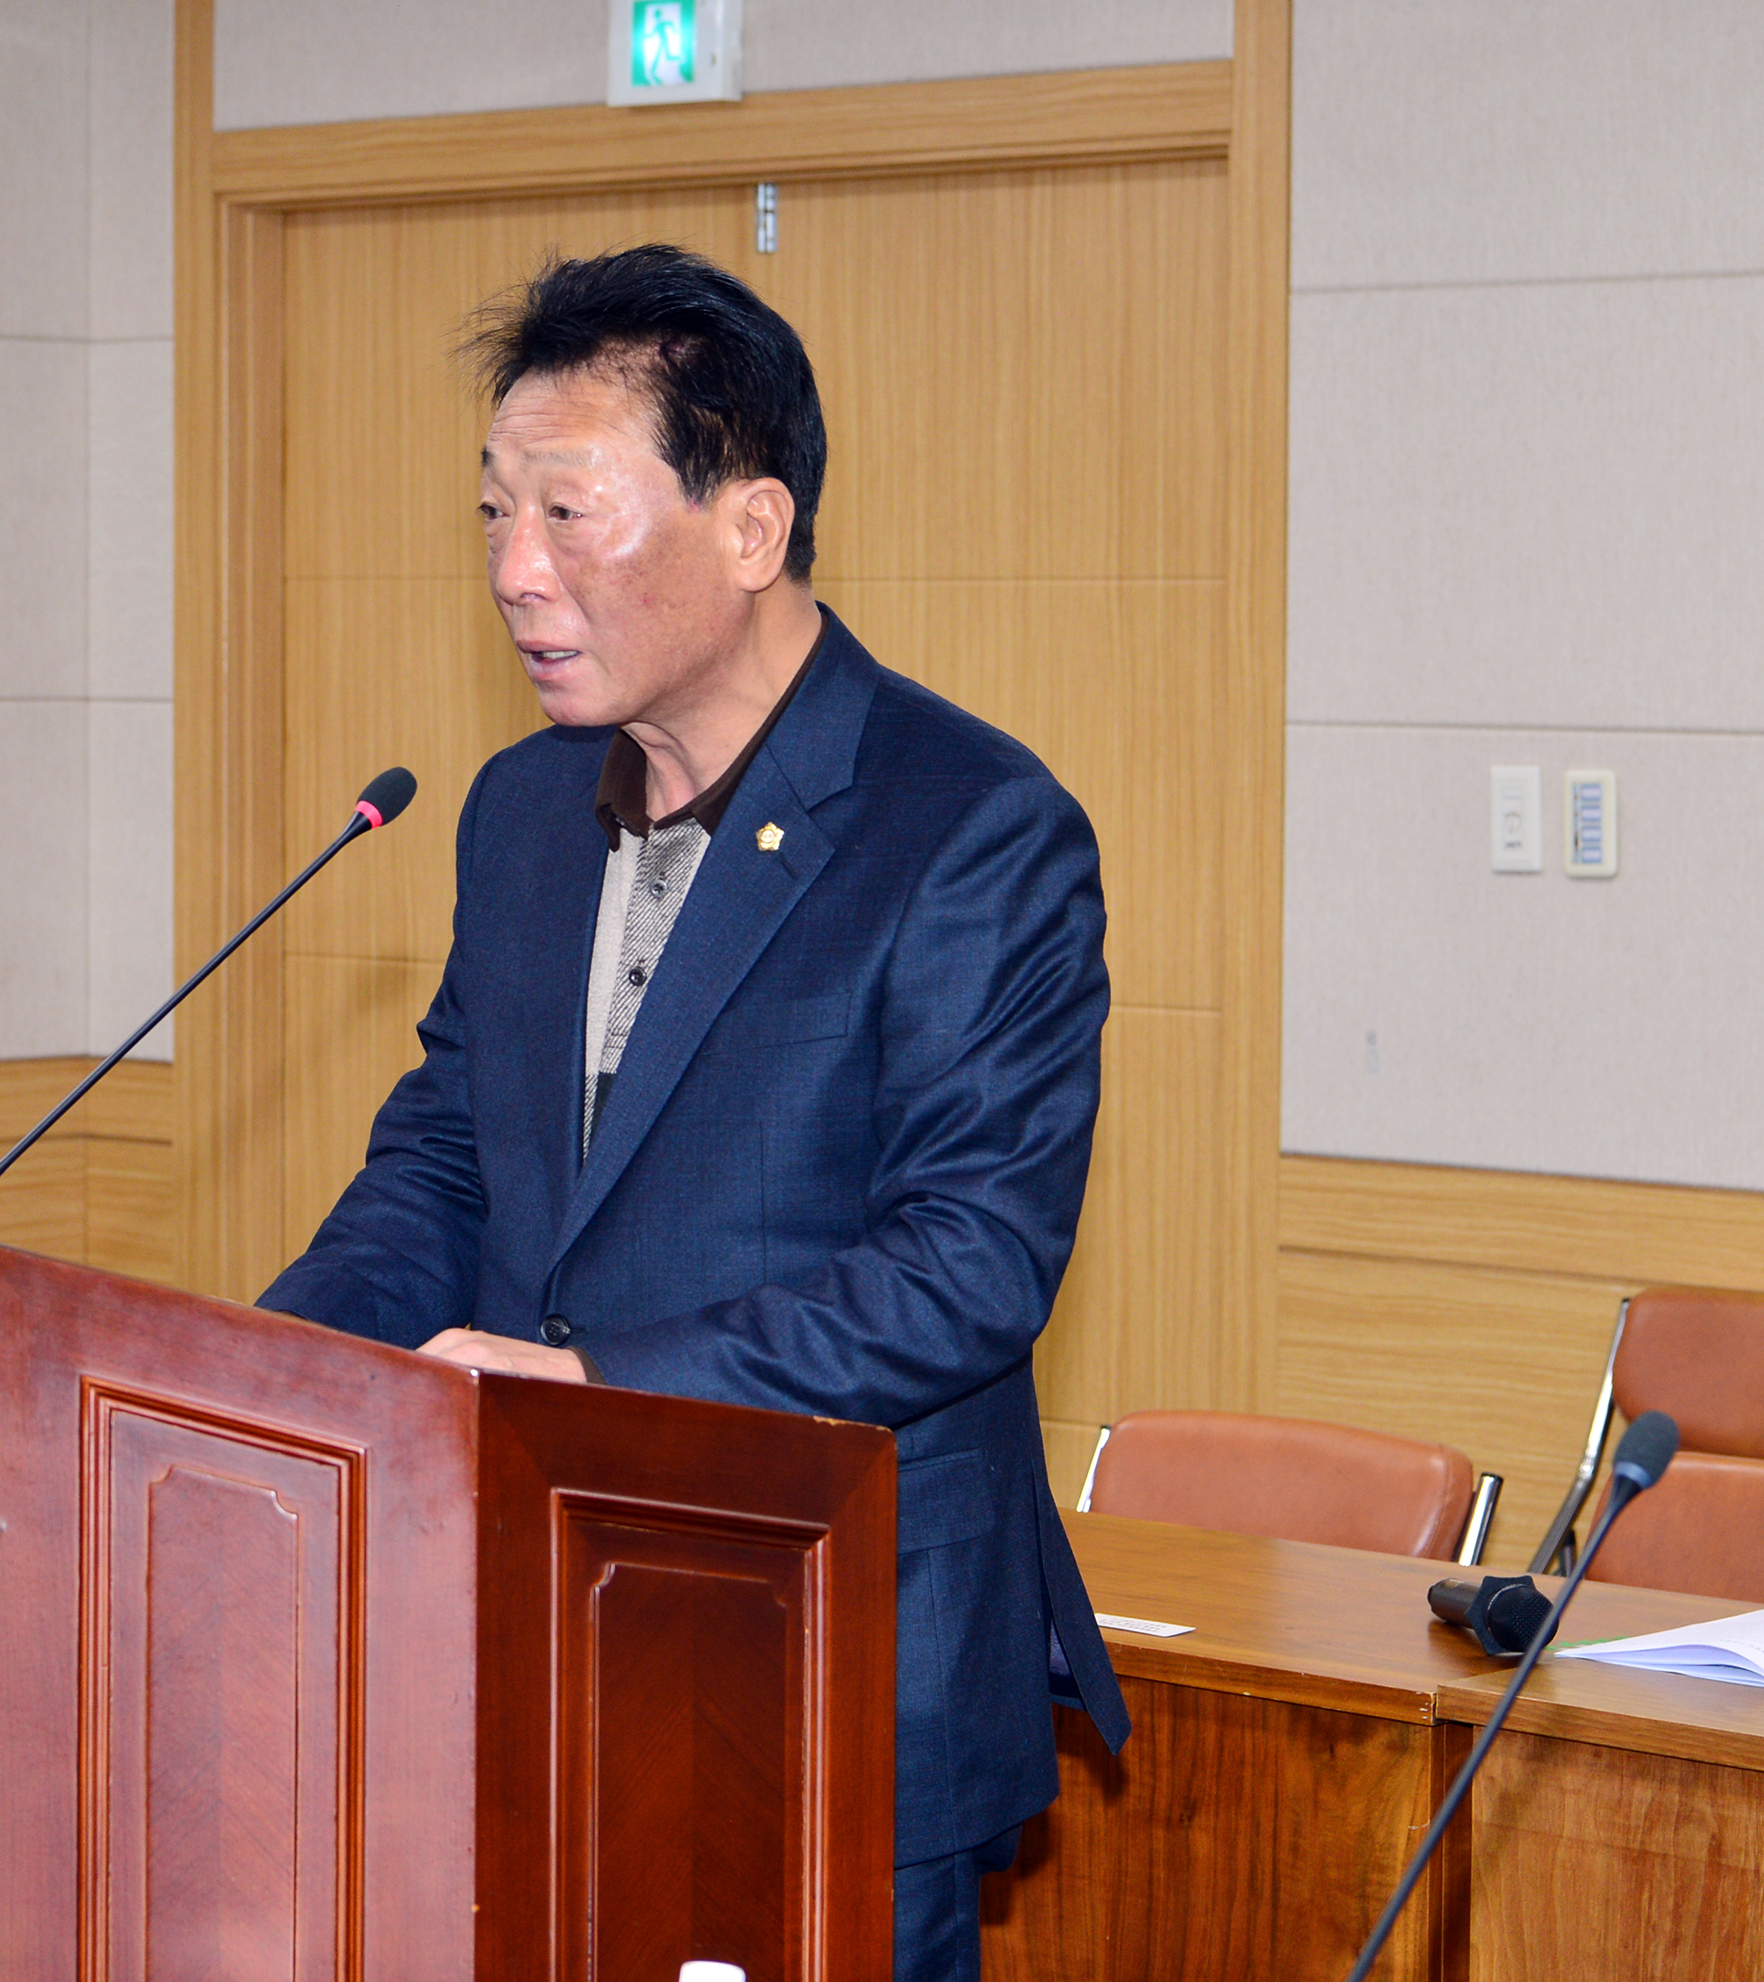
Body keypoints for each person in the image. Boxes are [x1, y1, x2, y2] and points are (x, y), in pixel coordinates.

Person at [257, 245, 1129, 1980]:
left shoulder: (969, 826)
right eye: (494, 514)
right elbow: (452, 1156)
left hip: (819, 1651)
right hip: (524, 1628)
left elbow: (968, 1263)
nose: (515, 570)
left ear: (752, 527)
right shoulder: (519, 811)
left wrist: (596, 1389)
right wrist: (274, 1372)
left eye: (568, 513)